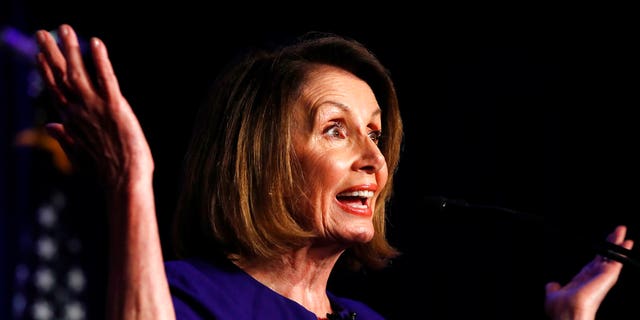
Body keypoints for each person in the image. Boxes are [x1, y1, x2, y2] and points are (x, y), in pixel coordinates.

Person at [34, 23, 634, 320]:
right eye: (335, 129)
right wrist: (130, 181)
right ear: (262, 157)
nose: (376, 160)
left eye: (375, 134)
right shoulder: (185, 294)